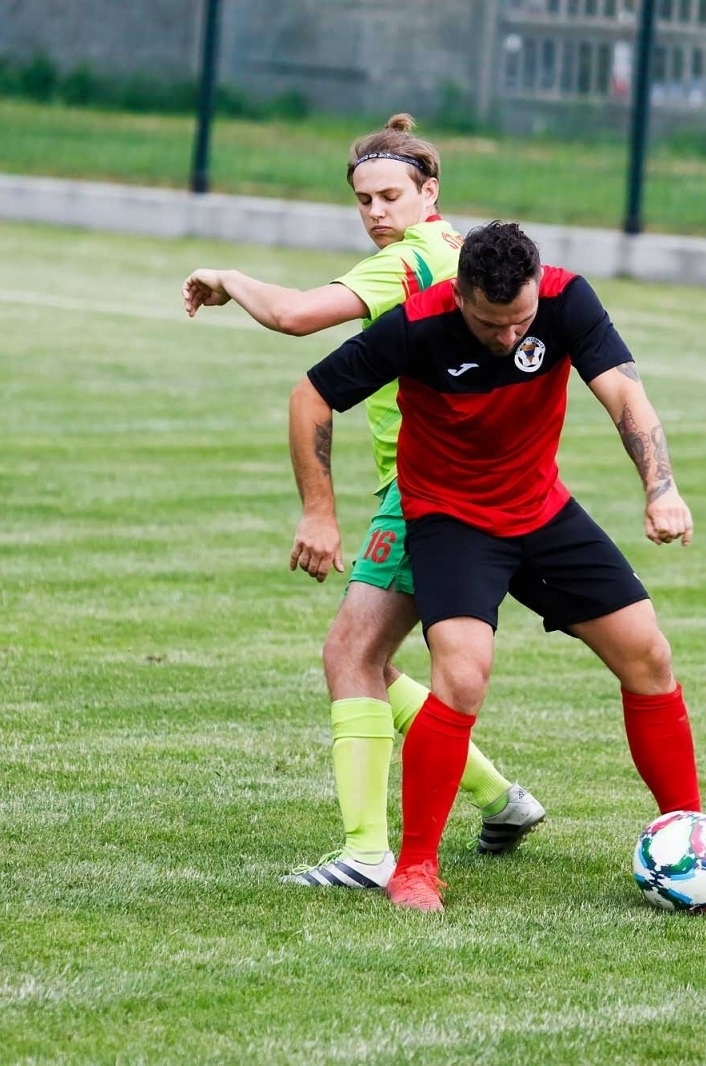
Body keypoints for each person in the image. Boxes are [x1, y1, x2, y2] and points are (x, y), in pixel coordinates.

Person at [289, 221, 706, 911]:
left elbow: (626, 395)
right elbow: (311, 397)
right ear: (461, 298)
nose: (511, 338)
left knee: (648, 654)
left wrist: (661, 488)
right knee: (463, 673)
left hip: (540, 509)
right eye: (491, 324)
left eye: (522, 321)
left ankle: (692, 836)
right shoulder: (416, 326)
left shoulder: (568, 301)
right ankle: (416, 867)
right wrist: (318, 511)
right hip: (451, 521)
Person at [182, 116, 545, 889]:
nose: (376, 212)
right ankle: (500, 800)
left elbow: (294, 317)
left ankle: (368, 854)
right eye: (363, 200)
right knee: (368, 662)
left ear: (429, 191)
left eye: (390, 195)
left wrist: (229, 278)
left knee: (349, 655)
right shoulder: (457, 250)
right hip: (473, 482)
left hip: (423, 491)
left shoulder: (405, 263)